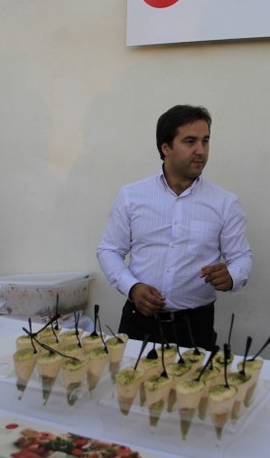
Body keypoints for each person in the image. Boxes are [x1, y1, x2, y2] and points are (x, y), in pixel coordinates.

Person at [96, 104, 253, 350]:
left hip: (194, 328)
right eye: (190, 141)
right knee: (130, 376)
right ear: (165, 147)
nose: (200, 150)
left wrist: (232, 276)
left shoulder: (225, 203)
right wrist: (132, 287)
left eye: (205, 141)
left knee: (196, 378)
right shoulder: (131, 196)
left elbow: (241, 257)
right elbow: (109, 250)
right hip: (139, 322)